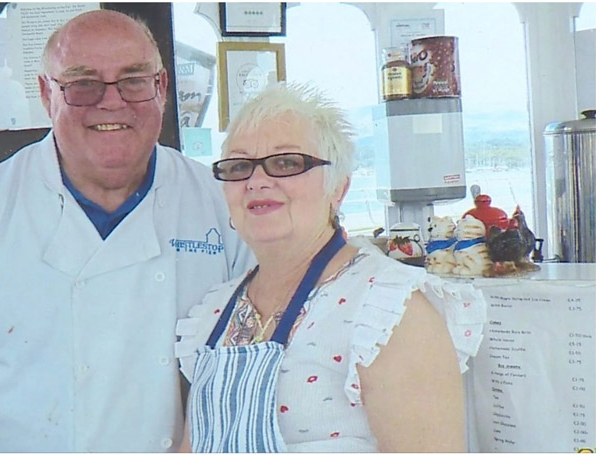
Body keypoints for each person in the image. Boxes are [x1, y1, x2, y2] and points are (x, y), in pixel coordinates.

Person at [0, 10, 252, 452]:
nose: (112, 102)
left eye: (134, 80)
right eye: (83, 84)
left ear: (160, 88)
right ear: (47, 94)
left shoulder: (220, 205)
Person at [175, 82, 487, 452]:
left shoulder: (385, 311)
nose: (257, 181)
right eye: (239, 166)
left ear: (338, 188)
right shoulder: (214, 313)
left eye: (287, 163)